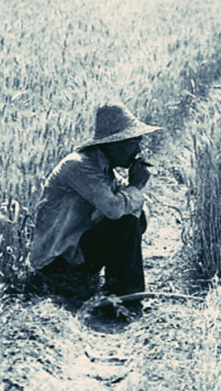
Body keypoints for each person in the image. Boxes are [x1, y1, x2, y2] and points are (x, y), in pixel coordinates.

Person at [29, 103, 162, 308]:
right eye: (133, 143)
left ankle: (119, 292)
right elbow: (115, 209)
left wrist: (133, 189)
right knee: (125, 220)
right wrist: (135, 185)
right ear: (113, 144)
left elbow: (137, 208)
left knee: (134, 217)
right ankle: (124, 299)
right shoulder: (80, 166)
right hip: (56, 261)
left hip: (75, 254)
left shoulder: (105, 169)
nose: (138, 150)